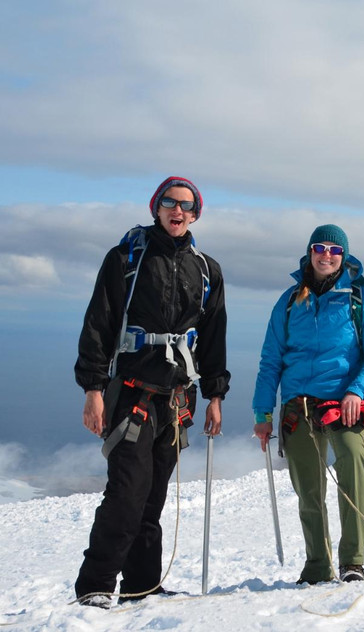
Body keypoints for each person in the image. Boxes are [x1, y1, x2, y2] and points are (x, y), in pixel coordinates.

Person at [74, 176, 230, 608]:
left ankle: (142, 588)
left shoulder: (207, 270)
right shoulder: (126, 257)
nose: (177, 211)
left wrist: (215, 395)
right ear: (155, 207)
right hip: (131, 392)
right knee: (126, 493)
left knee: (152, 498)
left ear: (196, 213)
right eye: (169, 202)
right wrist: (93, 388)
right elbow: (99, 322)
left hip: (177, 399)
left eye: (186, 205)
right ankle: (96, 584)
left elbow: (213, 337)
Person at [253, 225, 364, 584]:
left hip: (346, 403)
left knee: (353, 469)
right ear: (309, 252)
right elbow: (272, 360)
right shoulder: (288, 301)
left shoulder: (362, 300)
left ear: (344, 256)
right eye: (319, 247)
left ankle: (352, 562)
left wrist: (356, 392)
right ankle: (317, 565)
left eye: (334, 249)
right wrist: (262, 411)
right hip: (299, 406)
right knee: (308, 490)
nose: (326, 255)